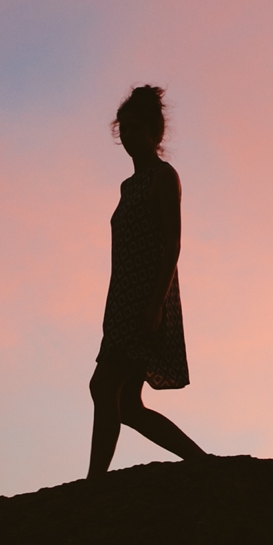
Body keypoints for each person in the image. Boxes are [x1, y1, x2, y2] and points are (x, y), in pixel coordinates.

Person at [88, 85, 207, 477]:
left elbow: (172, 243)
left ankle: (94, 482)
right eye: (124, 129)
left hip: (145, 297)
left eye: (137, 129)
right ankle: (202, 464)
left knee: (104, 387)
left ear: (155, 133)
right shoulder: (127, 186)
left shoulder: (162, 176)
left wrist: (156, 303)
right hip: (121, 300)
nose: (128, 137)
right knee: (126, 405)